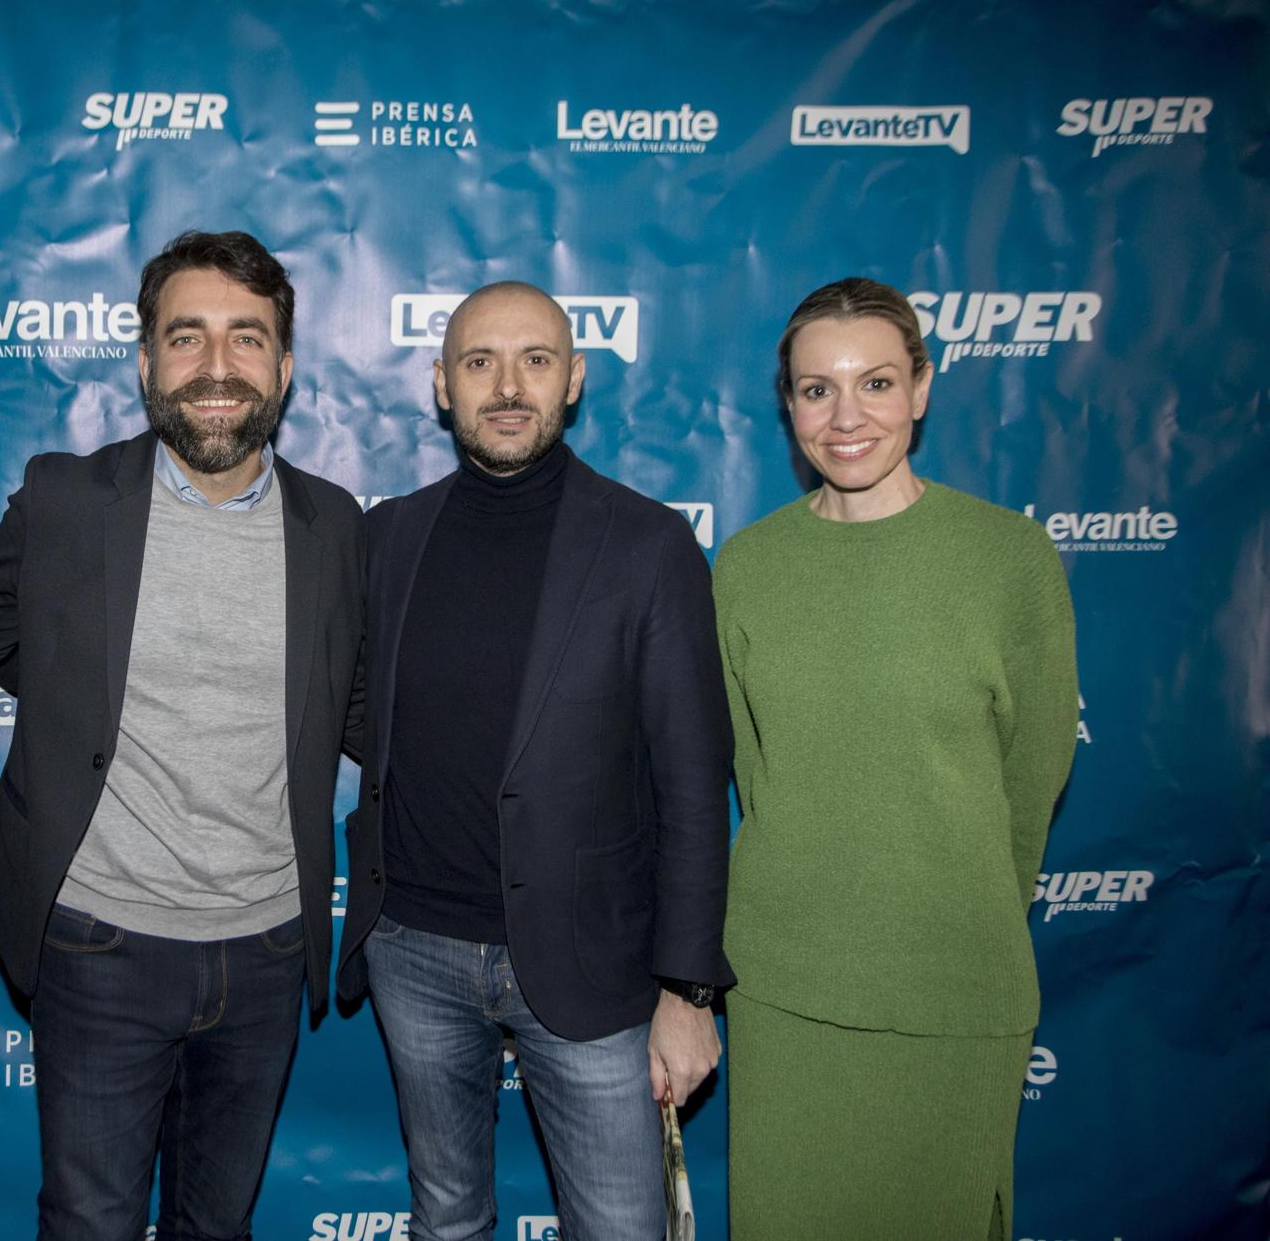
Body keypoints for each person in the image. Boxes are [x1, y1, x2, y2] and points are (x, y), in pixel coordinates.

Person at [0, 230, 365, 1240]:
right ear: (145, 362)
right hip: (99, 944)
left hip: (269, 951)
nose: (216, 367)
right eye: (186, 338)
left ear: (282, 364)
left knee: (214, 1225)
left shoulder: (335, 526)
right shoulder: (62, 501)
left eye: (245, 338)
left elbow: (369, 705)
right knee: (89, 1223)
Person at [337, 281, 735, 1238]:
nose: (507, 386)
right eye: (479, 363)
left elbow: (692, 780)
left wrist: (686, 990)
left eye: (536, 360)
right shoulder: (389, 535)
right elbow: (361, 713)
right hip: (413, 948)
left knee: (619, 1227)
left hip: (593, 962)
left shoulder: (647, 543)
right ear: (441, 386)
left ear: (575, 379)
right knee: (446, 1216)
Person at [716, 277, 1078, 1239]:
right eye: (815, 389)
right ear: (787, 403)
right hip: (784, 990)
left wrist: (947, 915)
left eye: (875, 383)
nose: (845, 417)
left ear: (922, 387)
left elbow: (1029, 788)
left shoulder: (1011, 561)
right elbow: (758, 775)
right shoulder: (745, 565)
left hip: (955, 990)